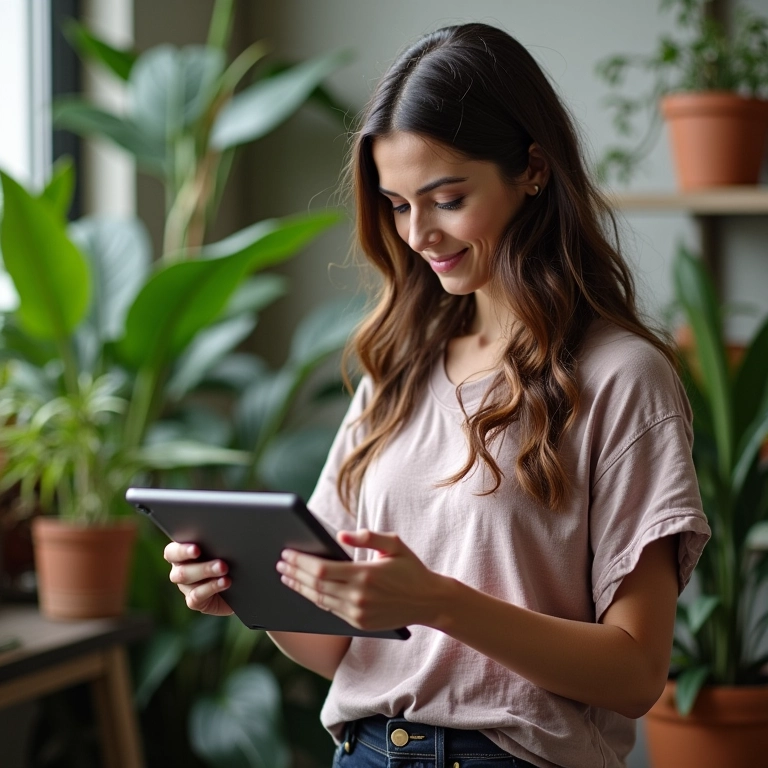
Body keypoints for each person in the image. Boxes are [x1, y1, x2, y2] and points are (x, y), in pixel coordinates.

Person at [164, 22, 711, 768]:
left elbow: (636, 673)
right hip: (363, 749)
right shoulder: (398, 371)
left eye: (446, 199)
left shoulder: (622, 377)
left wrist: (438, 602)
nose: (418, 233)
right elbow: (340, 649)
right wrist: (249, 592)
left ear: (533, 170)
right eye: (396, 204)